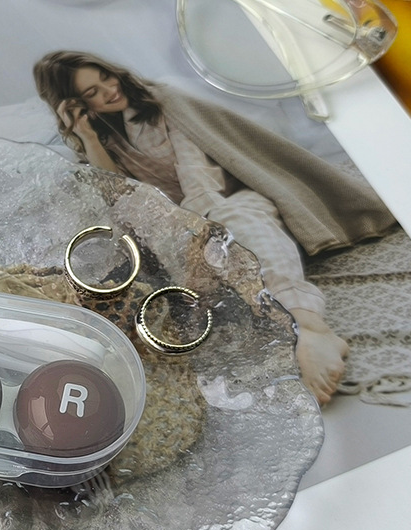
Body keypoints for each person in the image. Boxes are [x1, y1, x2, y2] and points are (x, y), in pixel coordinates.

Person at [33, 50, 397, 406]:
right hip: (176, 225)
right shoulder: (101, 139)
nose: (109, 90)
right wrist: (89, 138)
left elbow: (200, 179)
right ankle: (283, 321)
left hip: (228, 195)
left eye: (106, 78)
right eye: (92, 93)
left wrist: (200, 231)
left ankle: (309, 325)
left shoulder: (163, 102)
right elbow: (120, 196)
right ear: (76, 107)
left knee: (239, 222)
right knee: (191, 270)